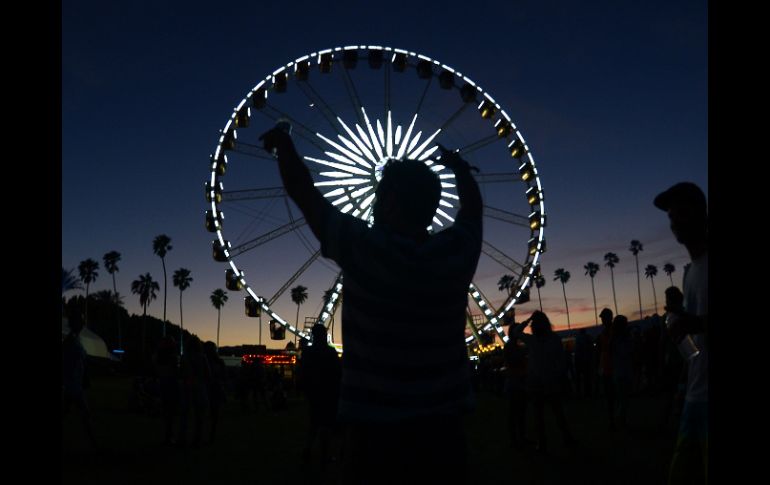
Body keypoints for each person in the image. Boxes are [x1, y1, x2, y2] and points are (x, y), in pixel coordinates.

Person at [260, 125, 482, 485]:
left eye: (380, 195)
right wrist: (459, 170)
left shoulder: (366, 249)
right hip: (445, 430)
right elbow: (473, 213)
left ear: (391, 201)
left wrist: (283, 144)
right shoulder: (456, 254)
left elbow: (304, 193)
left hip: (375, 432)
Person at [653, 182, 708, 484]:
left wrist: (696, 324)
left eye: (680, 212)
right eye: (671, 215)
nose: (673, 220)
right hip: (695, 392)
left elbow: (699, 323)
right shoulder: (690, 272)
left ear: (700, 213)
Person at [510, 311, 576, 453]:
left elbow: (516, 332)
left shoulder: (532, 340)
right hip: (551, 381)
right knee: (558, 413)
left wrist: (527, 320)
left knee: (538, 416)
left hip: (536, 382)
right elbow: (561, 361)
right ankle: (567, 437)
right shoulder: (555, 339)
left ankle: (542, 443)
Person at [297, 324, 342, 468]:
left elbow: (303, 371)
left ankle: (308, 449)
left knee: (314, 423)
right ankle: (324, 455)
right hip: (328, 392)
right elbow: (337, 372)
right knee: (326, 425)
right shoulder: (330, 352)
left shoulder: (308, 352)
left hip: (313, 392)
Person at [62, 309, 97, 449]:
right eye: (81, 321)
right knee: (85, 414)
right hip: (72, 385)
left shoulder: (76, 340)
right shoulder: (70, 341)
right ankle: (93, 444)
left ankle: (93, 443)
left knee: (70, 413)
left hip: (74, 384)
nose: (83, 324)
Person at [503, 318, 529, 449]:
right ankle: (518, 438)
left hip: (515, 382)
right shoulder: (513, 347)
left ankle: (518, 438)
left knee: (517, 413)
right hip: (516, 382)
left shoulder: (510, 346)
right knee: (517, 413)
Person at [154, 336, 179, 445]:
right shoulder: (173, 357)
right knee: (170, 412)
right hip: (171, 385)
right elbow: (176, 372)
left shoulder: (158, 357)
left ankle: (166, 435)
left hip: (162, 383)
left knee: (165, 411)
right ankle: (169, 435)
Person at [610, 315, 633, 430]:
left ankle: (621, 421)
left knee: (622, 399)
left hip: (620, 371)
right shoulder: (620, 339)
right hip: (622, 371)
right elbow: (625, 353)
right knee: (623, 399)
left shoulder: (615, 339)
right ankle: (621, 421)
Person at [595, 307, 616, 430]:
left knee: (613, 396)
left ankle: (614, 419)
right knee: (610, 396)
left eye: (603, 317)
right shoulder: (603, 333)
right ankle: (612, 419)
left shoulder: (614, 332)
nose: (602, 320)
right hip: (607, 368)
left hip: (613, 368)